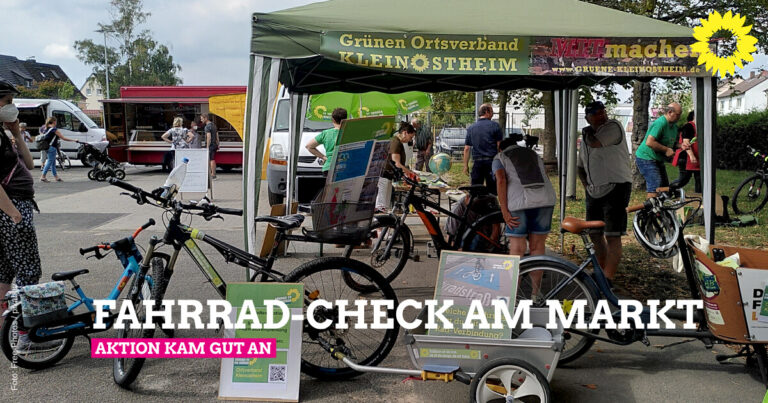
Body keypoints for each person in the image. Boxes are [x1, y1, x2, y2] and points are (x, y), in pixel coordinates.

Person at [0, 80, 42, 328]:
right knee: (28, 272)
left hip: (13, 208)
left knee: (4, 271)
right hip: (11, 210)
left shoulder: (3, 135)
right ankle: (27, 331)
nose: (11, 107)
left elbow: (29, 163)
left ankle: (6, 327)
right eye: (7, 102)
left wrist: (16, 133)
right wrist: (15, 214)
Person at [576, 101, 633, 281]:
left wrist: (587, 132)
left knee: (612, 234)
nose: (601, 116)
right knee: (594, 233)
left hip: (616, 186)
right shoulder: (586, 136)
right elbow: (580, 165)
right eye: (595, 114)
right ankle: (600, 270)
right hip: (594, 190)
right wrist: (586, 185)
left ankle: (608, 278)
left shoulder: (613, 127)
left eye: (602, 112)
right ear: (587, 117)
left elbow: (596, 143)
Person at [635, 102, 686, 198]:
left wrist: (681, 145)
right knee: (655, 187)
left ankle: (660, 211)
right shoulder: (660, 123)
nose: (679, 117)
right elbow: (649, 142)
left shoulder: (674, 126)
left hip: (657, 159)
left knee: (665, 188)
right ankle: (649, 211)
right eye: (678, 115)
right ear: (670, 112)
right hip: (646, 158)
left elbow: (671, 143)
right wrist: (666, 150)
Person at [376, 122, 418, 213]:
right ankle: (378, 226)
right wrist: (409, 172)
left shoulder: (398, 142)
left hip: (387, 176)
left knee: (384, 205)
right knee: (381, 205)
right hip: (384, 175)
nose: (410, 140)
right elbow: (396, 163)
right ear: (405, 132)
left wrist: (408, 171)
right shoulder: (396, 142)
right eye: (410, 137)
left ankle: (381, 225)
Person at [464, 103, 503, 194]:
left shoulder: (471, 128)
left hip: (477, 163)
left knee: (476, 190)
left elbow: (466, 148)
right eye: (492, 111)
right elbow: (499, 146)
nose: (493, 114)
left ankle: (476, 206)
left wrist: (465, 165)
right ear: (487, 111)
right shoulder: (495, 126)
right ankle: (491, 205)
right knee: (493, 190)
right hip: (491, 162)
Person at [305, 108, 347, 177]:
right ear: (346, 119)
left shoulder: (326, 133)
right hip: (346, 167)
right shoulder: (349, 132)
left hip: (329, 167)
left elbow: (309, 146)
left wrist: (323, 157)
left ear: (333, 119)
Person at [670, 111, 701, 193]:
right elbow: (686, 143)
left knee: (699, 179)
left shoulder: (699, 128)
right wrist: (691, 156)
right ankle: (667, 190)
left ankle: (700, 197)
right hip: (686, 158)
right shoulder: (688, 126)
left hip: (697, 159)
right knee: (683, 180)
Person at [40, 116, 76, 182]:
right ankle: (43, 176)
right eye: (56, 121)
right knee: (50, 161)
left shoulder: (46, 128)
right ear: (54, 121)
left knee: (53, 163)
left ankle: (56, 177)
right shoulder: (54, 129)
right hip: (52, 147)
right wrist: (74, 140)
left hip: (46, 147)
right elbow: (63, 138)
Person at [200, 113, 219, 180]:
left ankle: (213, 175)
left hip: (210, 145)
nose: (201, 120)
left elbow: (209, 137)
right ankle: (211, 174)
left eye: (202, 119)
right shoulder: (214, 125)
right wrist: (218, 144)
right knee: (211, 159)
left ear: (206, 118)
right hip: (214, 144)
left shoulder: (207, 127)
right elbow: (217, 135)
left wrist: (207, 146)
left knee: (211, 159)